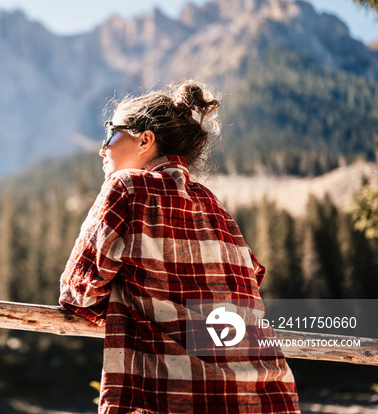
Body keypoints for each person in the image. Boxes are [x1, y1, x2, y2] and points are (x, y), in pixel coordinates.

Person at [59, 81, 300, 414]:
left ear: (145, 139)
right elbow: (250, 281)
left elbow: (77, 292)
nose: (103, 148)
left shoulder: (126, 187)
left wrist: (126, 298)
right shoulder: (213, 204)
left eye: (109, 133)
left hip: (176, 396)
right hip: (267, 396)